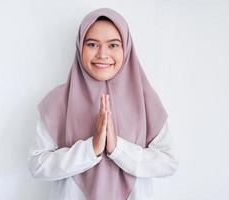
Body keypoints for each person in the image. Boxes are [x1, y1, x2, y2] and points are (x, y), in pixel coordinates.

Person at [27, 7, 178, 200]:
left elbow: (169, 162)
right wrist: (91, 149)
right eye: (92, 44)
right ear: (80, 46)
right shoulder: (58, 101)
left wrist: (118, 149)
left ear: (126, 48)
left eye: (113, 45)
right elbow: (37, 164)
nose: (102, 54)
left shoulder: (146, 100)